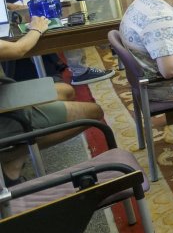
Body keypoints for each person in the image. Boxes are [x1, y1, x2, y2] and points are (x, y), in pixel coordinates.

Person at [0, 24, 104, 186]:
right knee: (95, 112)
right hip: (8, 113)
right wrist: (37, 28)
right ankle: (15, 153)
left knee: (67, 91)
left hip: (8, 94)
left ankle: (20, 148)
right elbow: (19, 49)